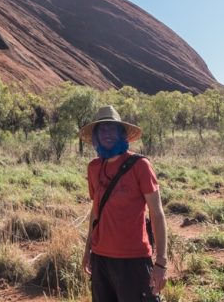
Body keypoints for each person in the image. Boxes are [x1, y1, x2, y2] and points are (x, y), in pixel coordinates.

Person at [80, 106, 168, 302]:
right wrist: (88, 251)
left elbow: (157, 214)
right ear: (96, 135)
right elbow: (95, 214)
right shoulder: (94, 167)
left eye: (112, 128)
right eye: (102, 129)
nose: (107, 134)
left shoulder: (140, 166)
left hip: (133, 259)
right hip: (101, 258)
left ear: (121, 133)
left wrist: (161, 263)